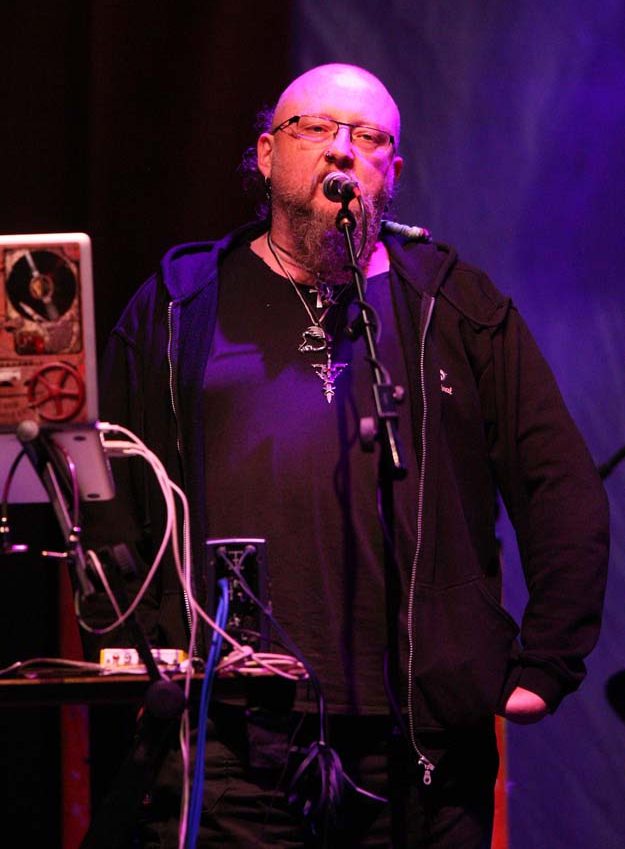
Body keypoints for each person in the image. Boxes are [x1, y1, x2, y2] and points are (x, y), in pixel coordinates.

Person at [84, 63, 609, 848]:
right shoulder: (178, 301)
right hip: (231, 735)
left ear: (390, 173)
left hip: (422, 742)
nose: (340, 148)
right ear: (266, 155)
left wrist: (547, 663)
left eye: (367, 137)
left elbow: (557, 483)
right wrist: (143, 644)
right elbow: (104, 480)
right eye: (314, 128)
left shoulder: (454, 305)